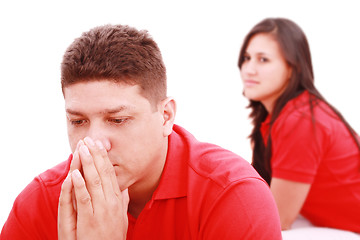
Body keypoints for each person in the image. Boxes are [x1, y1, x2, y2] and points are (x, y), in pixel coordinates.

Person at [0, 24, 282, 240]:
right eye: (77, 121)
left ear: (166, 116)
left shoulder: (234, 197)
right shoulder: (39, 202)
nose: (92, 143)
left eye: (118, 120)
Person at [238, 17, 360, 238]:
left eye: (263, 60)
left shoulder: (300, 120)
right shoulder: (278, 117)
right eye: (247, 58)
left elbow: (277, 219)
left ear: (292, 69)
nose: (249, 69)